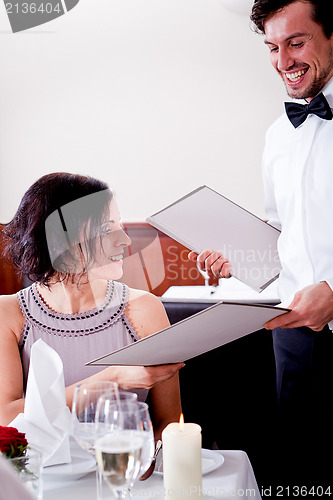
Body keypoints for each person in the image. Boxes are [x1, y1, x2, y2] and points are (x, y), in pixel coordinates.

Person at [189, 0, 333, 486]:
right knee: (300, 467)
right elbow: (284, 234)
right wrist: (240, 259)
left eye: (297, 42)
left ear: (331, 36)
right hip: (294, 335)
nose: (283, 61)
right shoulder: (277, 136)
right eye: (272, 47)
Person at [0, 172, 182, 440]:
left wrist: (140, 471)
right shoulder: (10, 313)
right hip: (44, 478)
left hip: (127, 472)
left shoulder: (145, 309)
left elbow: (168, 423)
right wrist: (112, 379)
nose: (126, 240)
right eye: (108, 229)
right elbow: (7, 417)